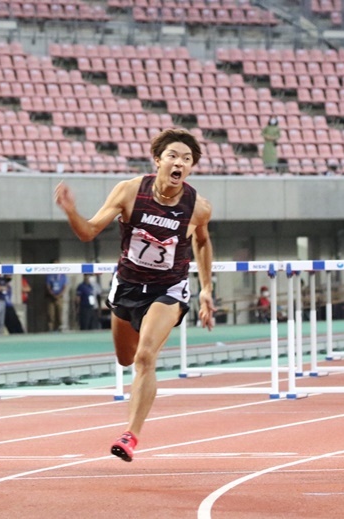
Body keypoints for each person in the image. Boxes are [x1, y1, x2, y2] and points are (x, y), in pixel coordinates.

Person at [54, 127, 215, 462]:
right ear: (157, 160)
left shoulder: (197, 207)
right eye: (172, 155)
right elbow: (90, 232)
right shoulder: (129, 192)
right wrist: (71, 211)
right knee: (125, 359)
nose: (179, 163)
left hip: (168, 288)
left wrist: (206, 290)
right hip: (127, 286)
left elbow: (201, 240)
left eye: (187, 160)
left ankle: (131, 435)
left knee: (144, 358)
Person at [45, 266, 67, 332]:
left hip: (59, 298)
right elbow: (48, 287)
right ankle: (50, 330)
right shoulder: (49, 276)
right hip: (51, 298)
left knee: (60, 314)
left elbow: (64, 287)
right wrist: (53, 295)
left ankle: (60, 329)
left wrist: (59, 295)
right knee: (51, 315)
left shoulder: (63, 276)